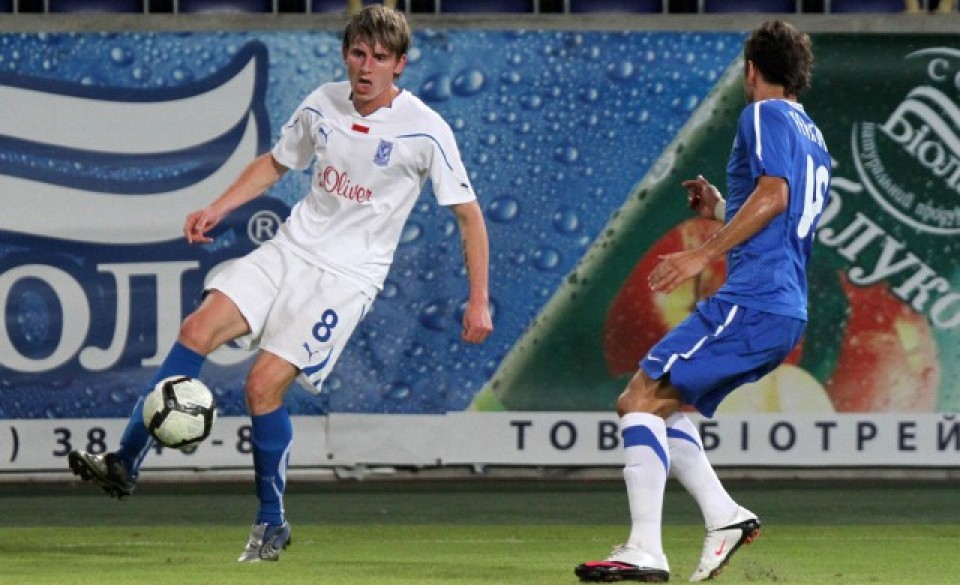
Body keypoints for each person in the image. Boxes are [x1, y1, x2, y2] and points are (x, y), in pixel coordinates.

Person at [68, 4, 493, 563]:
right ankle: (125, 462)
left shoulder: (425, 130)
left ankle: (272, 521)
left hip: (345, 280)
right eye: (358, 53)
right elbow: (276, 162)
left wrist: (478, 300)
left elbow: (469, 216)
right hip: (289, 250)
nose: (366, 66)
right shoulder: (323, 102)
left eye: (379, 57)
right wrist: (218, 206)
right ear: (346, 55)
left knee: (262, 386)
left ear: (400, 65)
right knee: (196, 329)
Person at [575, 20, 830, 583]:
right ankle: (723, 515)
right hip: (782, 307)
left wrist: (702, 253)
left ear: (750, 69)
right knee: (665, 406)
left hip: (754, 300)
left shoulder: (762, 114)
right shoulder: (812, 134)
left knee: (638, 401)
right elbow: (786, 212)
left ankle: (645, 549)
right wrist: (718, 209)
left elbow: (774, 195)